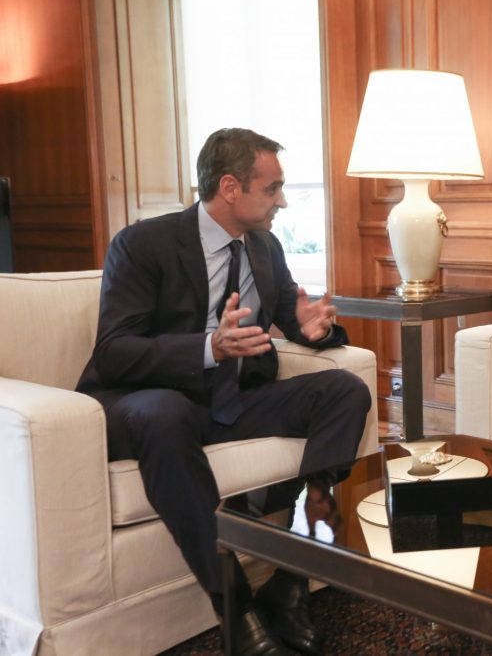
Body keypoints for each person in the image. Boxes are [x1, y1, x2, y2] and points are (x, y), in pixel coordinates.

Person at [76, 128, 372, 656]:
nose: (283, 200)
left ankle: (292, 576)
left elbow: (293, 318)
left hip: (229, 401)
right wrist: (208, 347)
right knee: (165, 411)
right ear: (230, 187)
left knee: (344, 390)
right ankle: (232, 601)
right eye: (273, 188)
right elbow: (114, 351)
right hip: (146, 402)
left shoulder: (265, 246)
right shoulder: (142, 244)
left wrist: (314, 329)